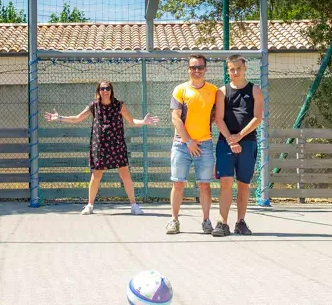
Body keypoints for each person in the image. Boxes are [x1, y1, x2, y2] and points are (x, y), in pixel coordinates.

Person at [45, 81, 159, 215]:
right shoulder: (94, 106)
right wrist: (59, 118)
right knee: (96, 175)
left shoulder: (119, 105)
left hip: (117, 145)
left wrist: (144, 122)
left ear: (111, 90)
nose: (105, 91)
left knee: (125, 174)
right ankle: (90, 205)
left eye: (107, 88)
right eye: (102, 88)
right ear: (98, 91)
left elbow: (131, 121)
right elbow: (77, 118)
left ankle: (134, 205)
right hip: (99, 145)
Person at [212, 55, 263, 237]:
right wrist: (230, 140)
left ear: (244, 69)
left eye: (238, 69)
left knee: (244, 184)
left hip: (248, 143)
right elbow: (218, 118)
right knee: (226, 182)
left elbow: (257, 118)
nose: (235, 72)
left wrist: (239, 136)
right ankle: (222, 223)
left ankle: (240, 222)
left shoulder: (255, 90)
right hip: (225, 144)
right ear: (228, 70)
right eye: (232, 69)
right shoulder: (222, 92)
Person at [166, 54, 217, 235]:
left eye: (200, 67)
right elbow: (175, 118)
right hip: (182, 145)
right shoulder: (180, 90)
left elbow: (217, 116)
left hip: (205, 145)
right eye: (193, 67)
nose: (197, 71)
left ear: (205, 69)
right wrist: (188, 141)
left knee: (204, 184)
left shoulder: (214, 91)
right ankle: (174, 220)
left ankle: (206, 220)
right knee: (178, 183)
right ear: (188, 69)